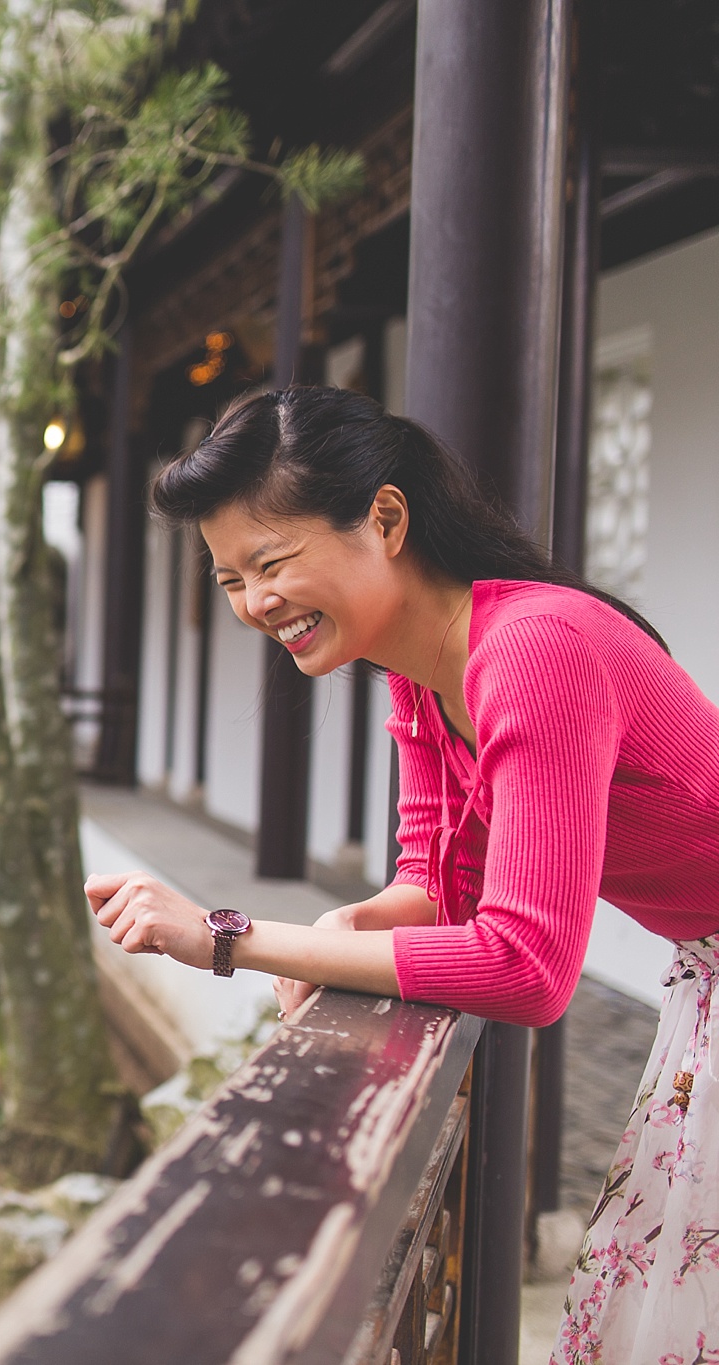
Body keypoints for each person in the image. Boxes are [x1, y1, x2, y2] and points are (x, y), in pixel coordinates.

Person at [84, 386, 719, 1362]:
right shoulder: (423, 678)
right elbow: (440, 890)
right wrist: (346, 929)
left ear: (383, 519)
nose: (255, 603)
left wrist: (224, 938)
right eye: (226, 581)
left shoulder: (531, 652)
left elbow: (525, 967)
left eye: (270, 561)